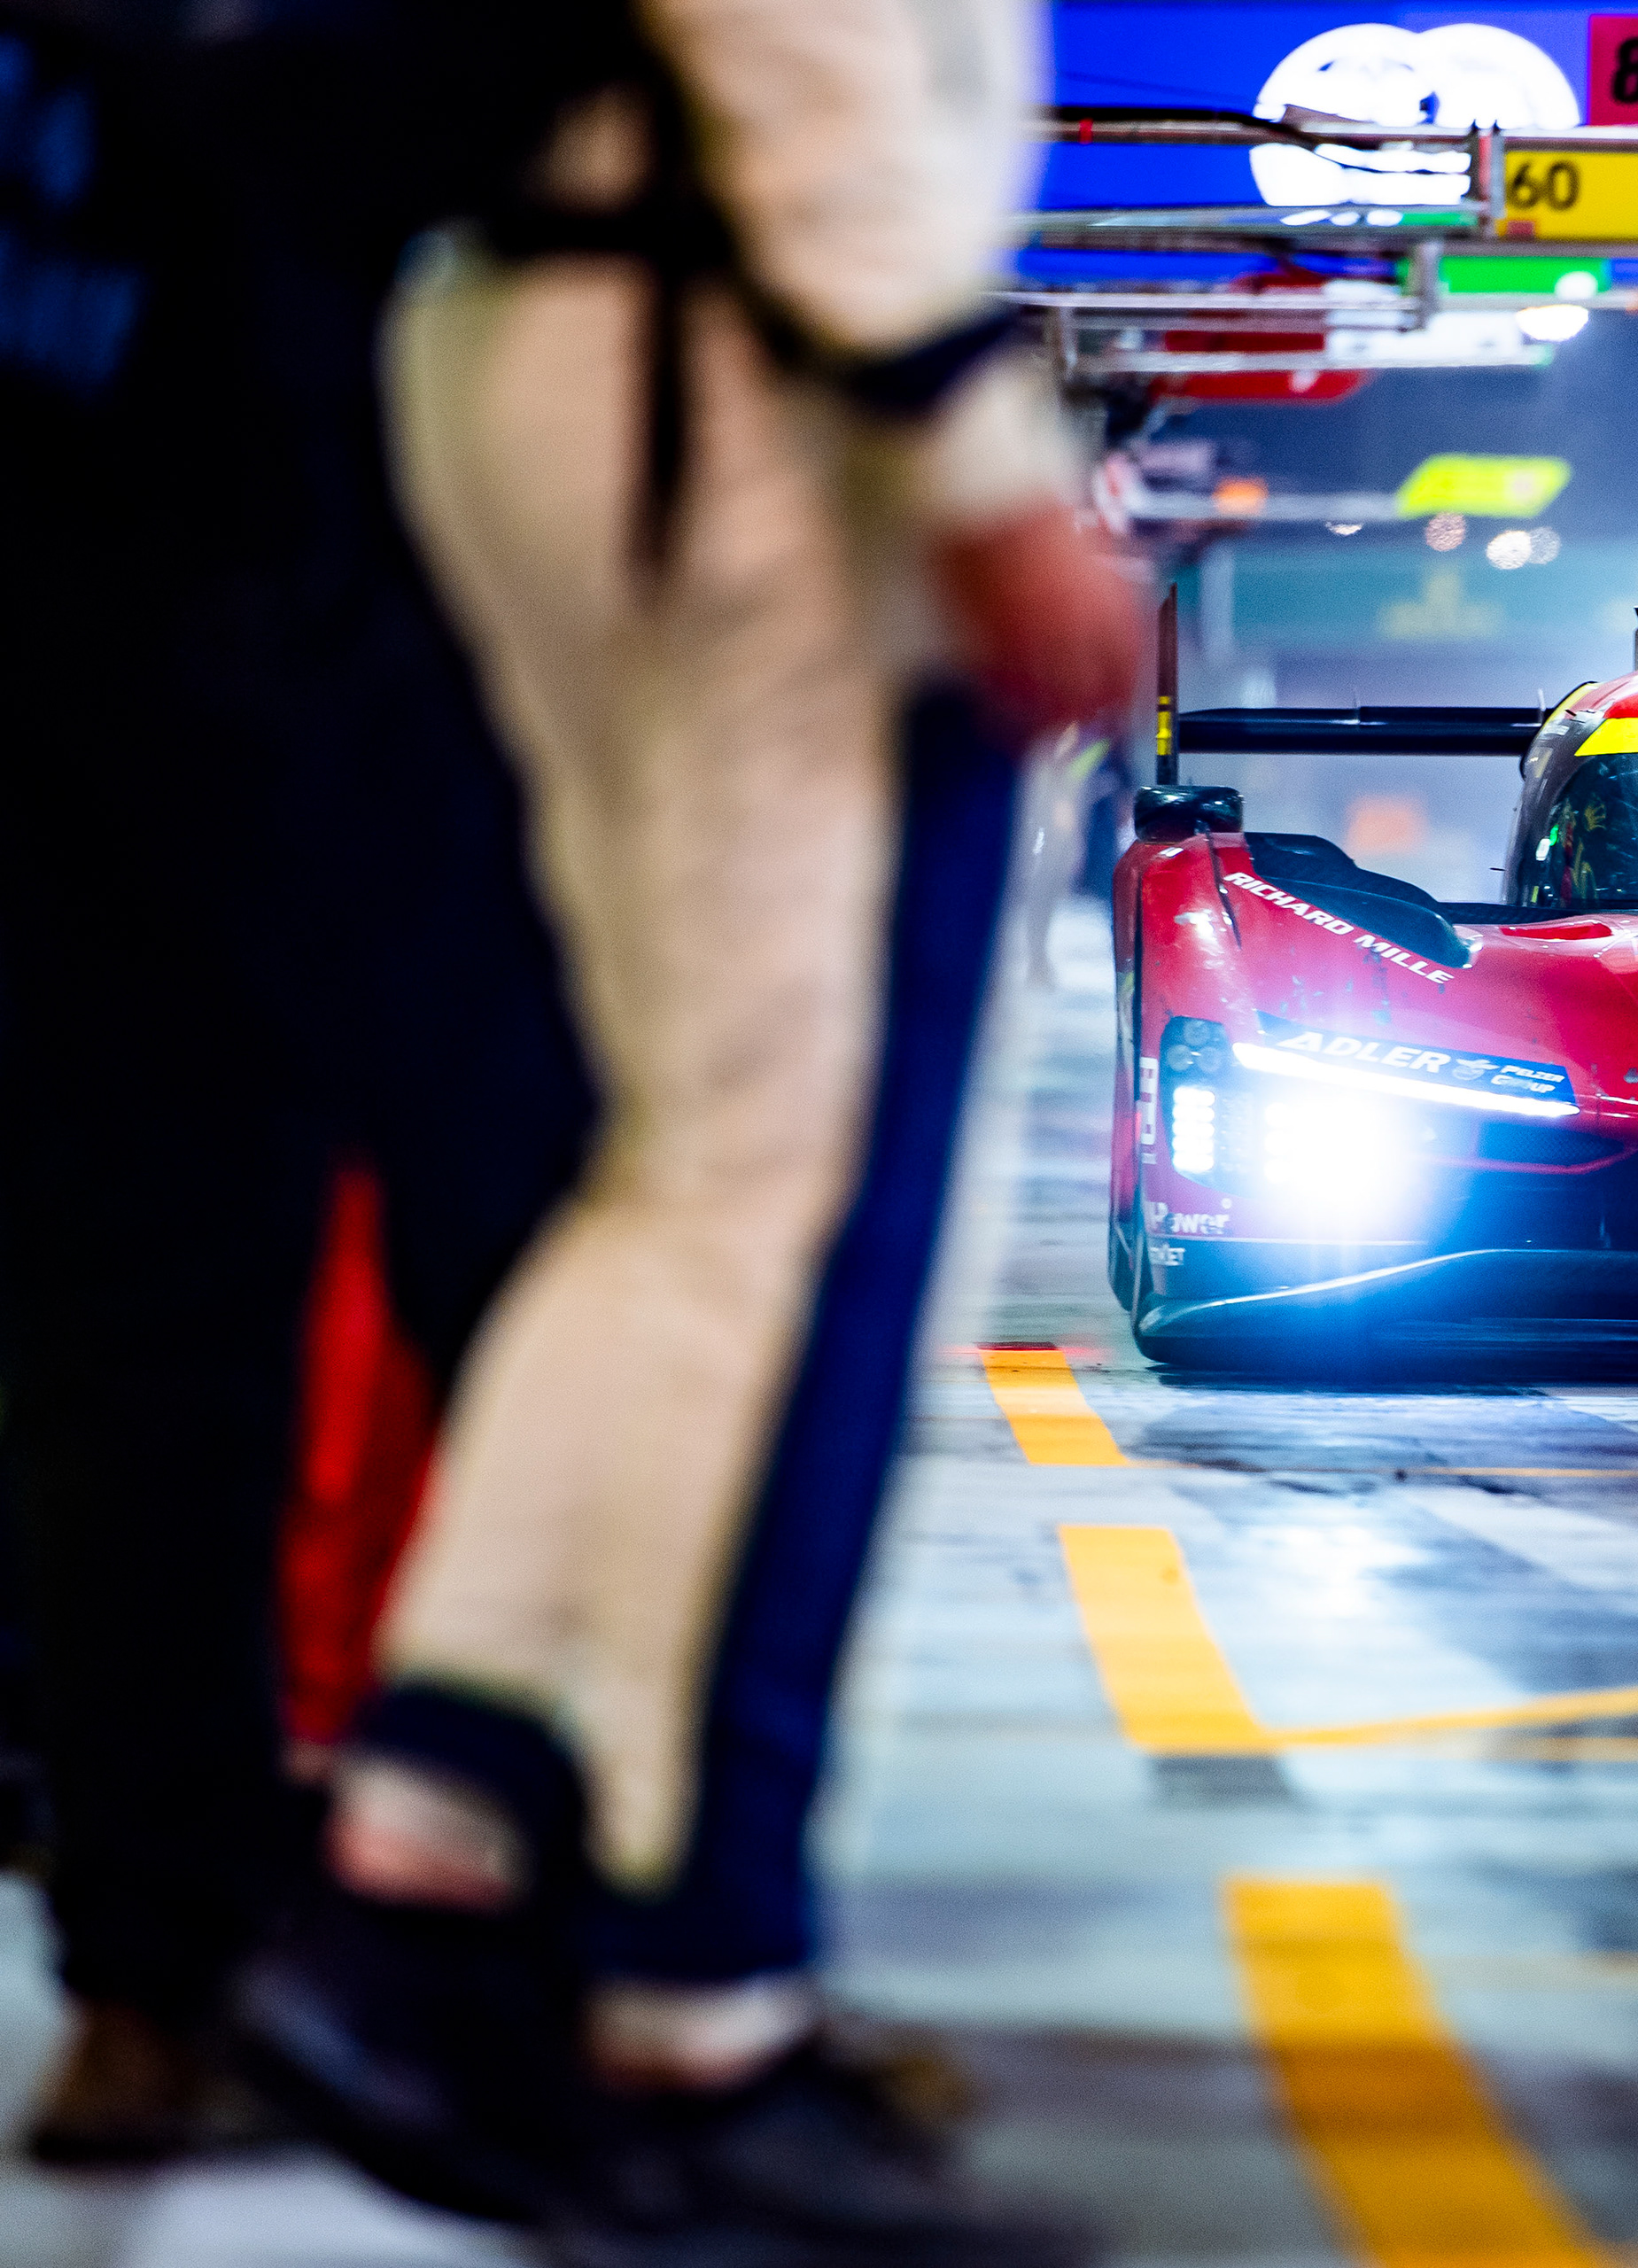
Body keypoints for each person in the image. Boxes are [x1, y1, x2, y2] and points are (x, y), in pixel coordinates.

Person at [230, 1, 1143, 2258]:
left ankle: (459, 1868)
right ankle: (659, 1987)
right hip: (733, 381)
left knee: (702, 1178)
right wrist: (971, 449)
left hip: (641, 336)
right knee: (769, 1196)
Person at [0, 4, 596, 2163]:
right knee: (500, 1266)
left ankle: (167, 1974)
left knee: (149, 1317)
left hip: (174, 578)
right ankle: (496, 1949)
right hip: (358, 589)